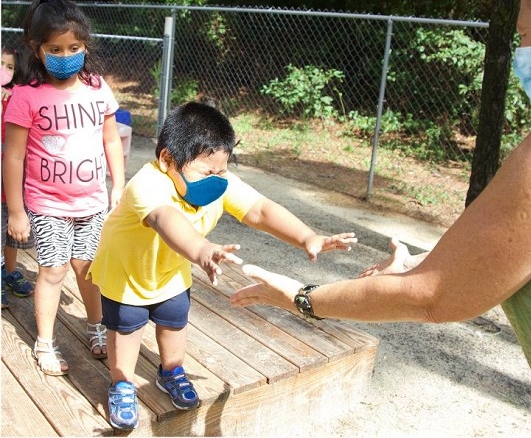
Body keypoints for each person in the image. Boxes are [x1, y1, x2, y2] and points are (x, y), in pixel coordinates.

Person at [230, 0, 531, 436]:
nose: (523, 51)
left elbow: (433, 297)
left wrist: (298, 296)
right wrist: (435, 260)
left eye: (526, 35)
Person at [86, 101, 357, 430]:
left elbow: (259, 209)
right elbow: (167, 220)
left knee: (174, 322)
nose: (216, 180)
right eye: (207, 172)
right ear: (167, 159)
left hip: (170, 272)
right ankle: (122, 383)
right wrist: (203, 251)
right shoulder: (148, 184)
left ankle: (171, 372)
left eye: (222, 170)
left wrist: (307, 237)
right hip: (126, 275)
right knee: (126, 330)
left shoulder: (215, 180)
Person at [2, 0, 125, 375]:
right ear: (37, 49)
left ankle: (98, 329)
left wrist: (117, 187)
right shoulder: (24, 96)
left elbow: (110, 139)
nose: (66, 55)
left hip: (91, 202)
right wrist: (17, 211)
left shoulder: (97, 87)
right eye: (55, 48)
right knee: (52, 271)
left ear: (85, 45)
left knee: (88, 269)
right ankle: (45, 343)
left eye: (74, 46)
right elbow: (13, 155)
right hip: (46, 205)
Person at [1, 45, 35, 308]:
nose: (4, 71)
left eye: (10, 66)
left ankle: (9, 271)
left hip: (13, 181)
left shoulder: (20, 96)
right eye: (0, 64)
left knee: (11, 234)